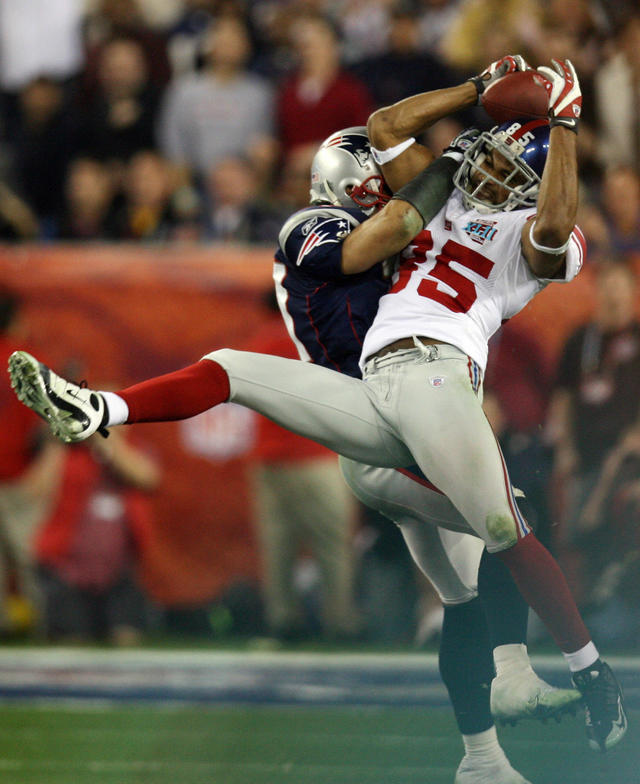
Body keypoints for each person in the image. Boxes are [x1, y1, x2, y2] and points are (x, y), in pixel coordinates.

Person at [7, 57, 627, 761]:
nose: (485, 173)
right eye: (485, 159)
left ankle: (509, 734)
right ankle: (98, 410)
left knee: (493, 542)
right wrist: (473, 97)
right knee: (241, 372)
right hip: (371, 402)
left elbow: (549, 233)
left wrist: (566, 128)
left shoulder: (531, 227)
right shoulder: (369, 214)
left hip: (436, 383)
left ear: (536, 183)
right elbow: (387, 143)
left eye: (506, 170)